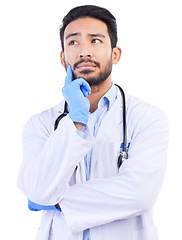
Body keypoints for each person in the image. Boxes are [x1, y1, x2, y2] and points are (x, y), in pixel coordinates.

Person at [17, 5, 169, 240]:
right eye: (73, 43)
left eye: (95, 41)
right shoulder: (41, 124)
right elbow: (37, 190)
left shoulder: (147, 118)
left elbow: (140, 194)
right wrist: (75, 122)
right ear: (62, 57)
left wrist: (56, 201)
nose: (84, 52)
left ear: (115, 54)